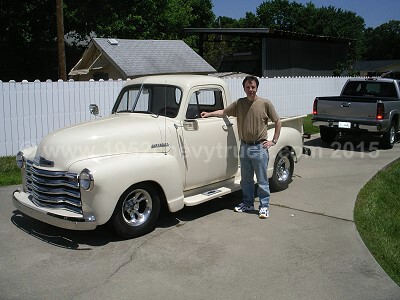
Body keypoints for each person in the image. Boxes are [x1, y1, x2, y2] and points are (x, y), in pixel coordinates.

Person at [201, 75, 281, 219]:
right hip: (244, 146)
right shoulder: (239, 103)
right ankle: (248, 203)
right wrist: (209, 114)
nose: (250, 89)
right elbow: (224, 112)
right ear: (244, 88)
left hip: (259, 147)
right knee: (246, 180)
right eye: (247, 87)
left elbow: (277, 121)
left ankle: (264, 207)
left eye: (253, 87)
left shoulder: (265, 104)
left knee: (262, 180)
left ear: (257, 88)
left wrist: (273, 141)